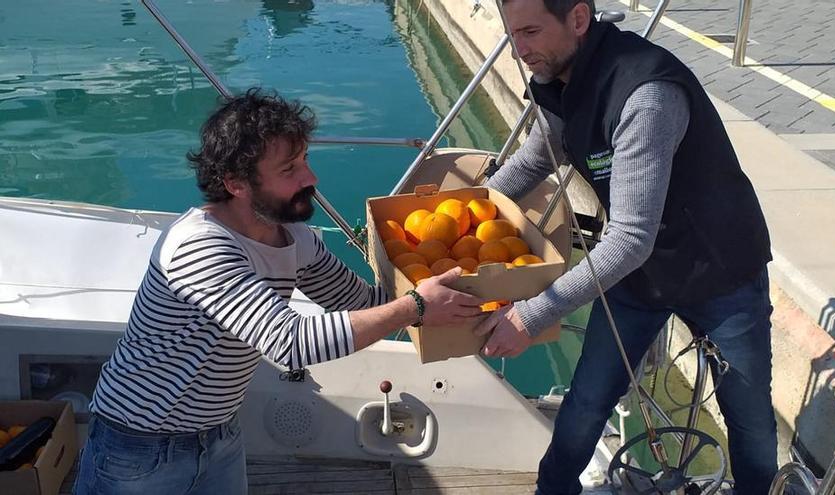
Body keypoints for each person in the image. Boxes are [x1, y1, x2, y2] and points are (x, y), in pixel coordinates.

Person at [73, 89, 483, 494]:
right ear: (235, 183)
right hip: (139, 443)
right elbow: (290, 343)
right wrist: (415, 306)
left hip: (218, 433)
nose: (311, 178)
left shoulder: (293, 237)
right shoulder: (199, 246)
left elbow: (363, 304)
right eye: (289, 170)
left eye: (304, 159)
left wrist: (470, 291)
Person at [475, 1, 778, 493]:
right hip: (640, 276)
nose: (519, 49)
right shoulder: (560, 79)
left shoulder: (645, 94)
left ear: (577, 18)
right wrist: (465, 213)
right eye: (514, 35)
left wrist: (528, 317)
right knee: (589, 398)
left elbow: (631, 238)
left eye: (530, 32)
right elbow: (536, 160)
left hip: (721, 272)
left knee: (750, 421)